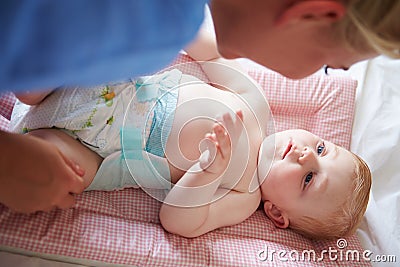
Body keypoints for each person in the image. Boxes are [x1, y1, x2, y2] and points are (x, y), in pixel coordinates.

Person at [1, 0, 396, 213]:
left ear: (277, 213)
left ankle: (33, 151)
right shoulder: (257, 107)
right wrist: (194, 38)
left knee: (67, 172)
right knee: (36, 86)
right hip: (118, 87)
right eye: (323, 149)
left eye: (309, 179)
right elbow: (216, 61)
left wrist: (206, 174)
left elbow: (179, 221)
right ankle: (32, 85)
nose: (307, 154)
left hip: (108, 153)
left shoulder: (243, 195)